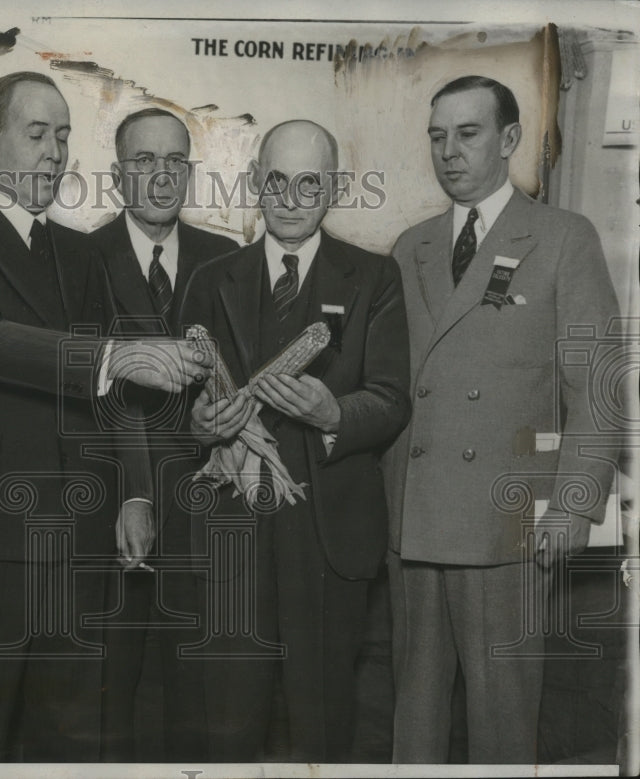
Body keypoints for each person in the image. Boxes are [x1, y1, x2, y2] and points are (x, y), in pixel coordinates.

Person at [0, 71, 208, 762]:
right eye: (36, 133)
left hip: (81, 535)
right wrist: (113, 352)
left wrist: (134, 492)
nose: (53, 151)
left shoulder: (80, 251)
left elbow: (113, 397)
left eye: (63, 136)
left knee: (71, 739)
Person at [385, 75, 621, 764]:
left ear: (511, 138)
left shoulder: (562, 237)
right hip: (414, 519)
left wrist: (574, 502)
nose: (448, 151)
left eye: (468, 132)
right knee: (414, 724)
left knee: (502, 727)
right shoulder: (412, 246)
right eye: (437, 136)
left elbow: (597, 387)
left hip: (506, 523)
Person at [177, 119, 410, 762]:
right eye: (276, 180)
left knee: (325, 722)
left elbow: (391, 398)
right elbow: (178, 403)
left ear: (332, 189)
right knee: (226, 718)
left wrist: (335, 411)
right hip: (231, 526)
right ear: (254, 182)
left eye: (308, 184)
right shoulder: (211, 277)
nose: (289, 198)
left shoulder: (374, 277)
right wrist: (198, 427)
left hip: (329, 529)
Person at [88, 107, 239, 761]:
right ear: (118, 174)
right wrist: (134, 490)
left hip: (208, 514)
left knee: (201, 701)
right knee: (105, 702)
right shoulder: (78, 260)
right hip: (108, 511)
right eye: (144, 161)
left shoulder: (227, 259)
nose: (160, 176)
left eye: (174, 161)